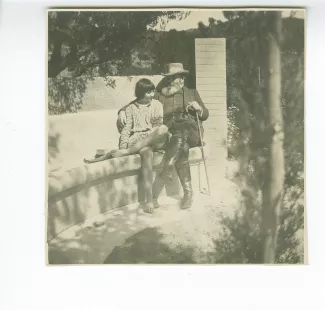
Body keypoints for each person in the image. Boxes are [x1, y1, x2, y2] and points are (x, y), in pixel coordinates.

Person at [117, 63, 209, 210]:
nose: (181, 79)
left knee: (182, 128)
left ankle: (164, 173)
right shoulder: (159, 94)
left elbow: (205, 115)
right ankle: (188, 193)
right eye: (177, 77)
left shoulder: (191, 92)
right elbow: (139, 100)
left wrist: (199, 109)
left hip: (190, 131)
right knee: (182, 147)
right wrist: (122, 111)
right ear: (169, 79)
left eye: (182, 76)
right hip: (171, 135)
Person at [84, 78, 169, 213]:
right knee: (147, 154)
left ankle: (128, 152)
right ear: (141, 93)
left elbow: (157, 126)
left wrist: (125, 151)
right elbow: (126, 130)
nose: (152, 95)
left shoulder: (157, 104)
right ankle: (148, 200)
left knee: (163, 128)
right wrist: (123, 146)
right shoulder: (130, 108)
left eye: (152, 92)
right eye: (148, 93)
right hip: (136, 140)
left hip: (152, 136)